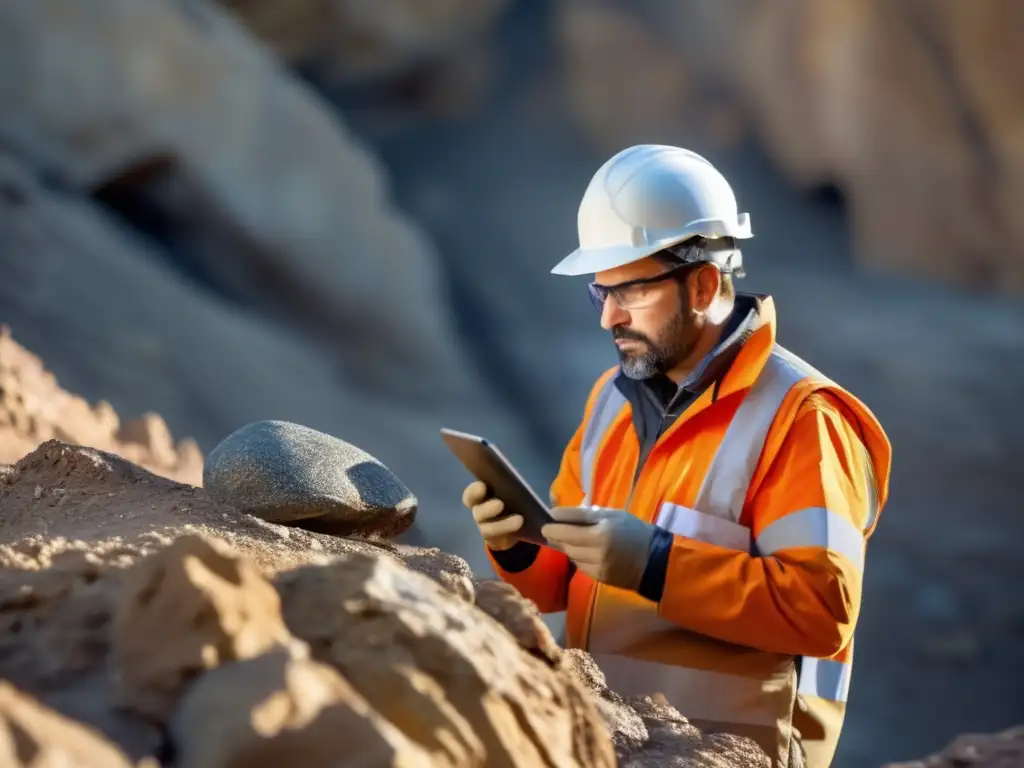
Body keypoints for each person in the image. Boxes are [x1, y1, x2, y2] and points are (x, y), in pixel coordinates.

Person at [461, 145, 892, 768]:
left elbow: (823, 612)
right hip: (611, 743)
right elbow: (558, 585)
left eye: (630, 290)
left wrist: (657, 565)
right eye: (599, 292)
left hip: (734, 754)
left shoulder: (803, 419)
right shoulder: (610, 401)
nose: (610, 315)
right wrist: (519, 546)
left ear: (705, 283)